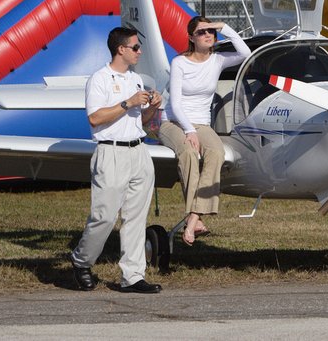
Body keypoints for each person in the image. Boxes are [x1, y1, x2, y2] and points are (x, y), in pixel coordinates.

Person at [69, 26, 163, 294]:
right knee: (104, 217)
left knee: (136, 217)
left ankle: (133, 276)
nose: (139, 51)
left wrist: (152, 107)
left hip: (138, 151)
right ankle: (81, 260)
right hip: (110, 152)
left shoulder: (136, 79)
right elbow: (95, 118)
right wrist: (127, 102)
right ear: (121, 49)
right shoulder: (99, 79)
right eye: (135, 47)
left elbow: (140, 121)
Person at [159, 16, 251, 246]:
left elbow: (246, 54)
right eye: (202, 32)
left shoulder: (218, 60)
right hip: (174, 122)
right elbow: (176, 104)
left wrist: (224, 27)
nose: (208, 35)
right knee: (189, 153)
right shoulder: (179, 62)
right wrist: (188, 131)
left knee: (217, 153)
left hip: (202, 124)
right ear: (191, 38)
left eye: (211, 31)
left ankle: (194, 217)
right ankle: (195, 218)